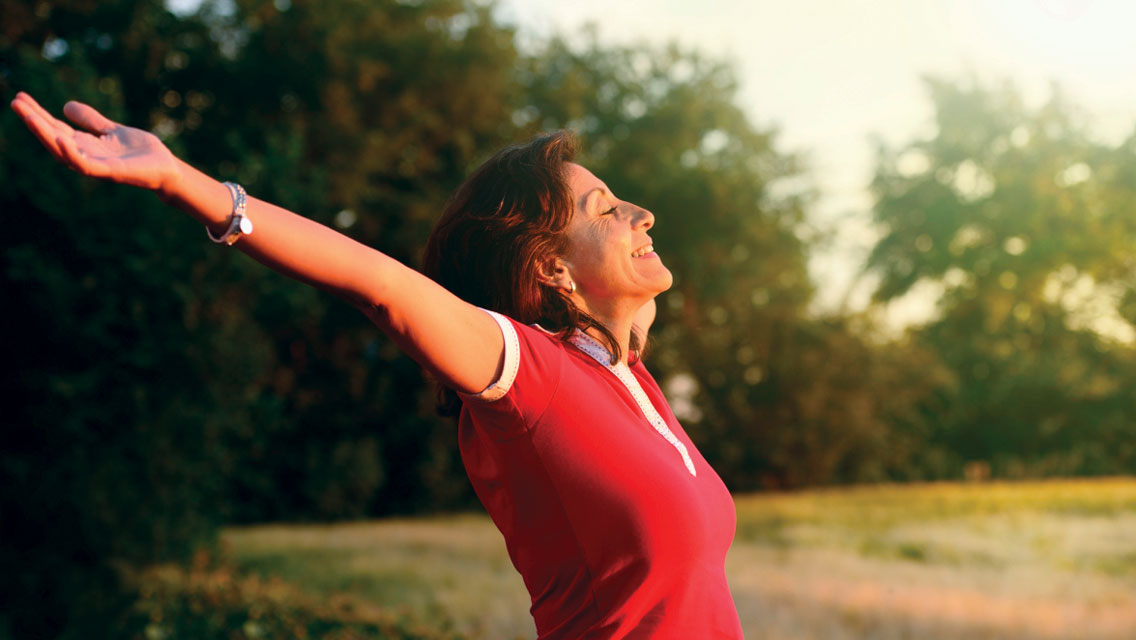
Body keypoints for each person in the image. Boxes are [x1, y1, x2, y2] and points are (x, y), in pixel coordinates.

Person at [10, 92, 744, 639]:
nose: (640, 213)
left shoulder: (629, 378)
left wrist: (624, 306)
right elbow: (381, 286)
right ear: (551, 265)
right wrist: (184, 181)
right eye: (604, 207)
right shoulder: (531, 375)